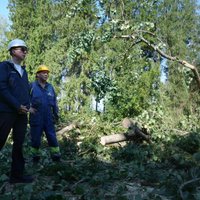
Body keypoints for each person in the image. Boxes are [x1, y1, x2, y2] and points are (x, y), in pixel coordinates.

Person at [0, 39, 34, 183]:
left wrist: (27, 106)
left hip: (21, 114)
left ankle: (17, 176)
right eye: (22, 49)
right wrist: (16, 105)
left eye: (26, 50)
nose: (25, 52)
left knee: (19, 144)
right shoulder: (4, 67)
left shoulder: (24, 71)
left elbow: (25, 91)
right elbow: (2, 88)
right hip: (6, 112)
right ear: (13, 51)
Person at [29, 65, 61, 162]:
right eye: (43, 72)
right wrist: (28, 108)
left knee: (52, 137)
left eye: (47, 72)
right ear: (37, 74)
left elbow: (54, 102)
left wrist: (56, 114)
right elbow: (24, 98)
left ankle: (56, 158)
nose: (46, 74)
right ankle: (35, 159)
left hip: (48, 118)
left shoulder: (50, 87)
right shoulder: (31, 86)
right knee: (35, 139)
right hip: (36, 117)